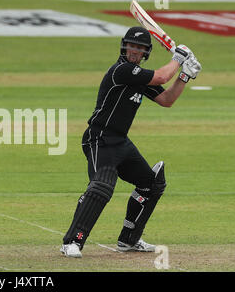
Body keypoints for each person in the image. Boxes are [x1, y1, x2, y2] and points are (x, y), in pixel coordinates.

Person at [60, 26, 201, 258]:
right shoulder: (122, 70)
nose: (134, 51)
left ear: (146, 52)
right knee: (102, 185)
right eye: (132, 46)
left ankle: (129, 240)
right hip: (100, 138)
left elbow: (167, 100)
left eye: (140, 48)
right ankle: (72, 242)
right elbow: (163, 75)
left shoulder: (140, 76)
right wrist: (178, 57)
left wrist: (185, 76)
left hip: (120, 142)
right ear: (124, 47)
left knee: (151, 184)